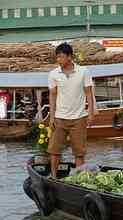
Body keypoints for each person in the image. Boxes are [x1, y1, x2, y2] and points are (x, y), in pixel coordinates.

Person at [47, 43, 95, 178]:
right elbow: (53, 95)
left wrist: (90, 114)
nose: (58, 60)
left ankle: (79, 179)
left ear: (69, 57)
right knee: (54, 150)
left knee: (79, 152)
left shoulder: (83, 72)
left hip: (79, 118)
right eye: (57, 57)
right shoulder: (53, 74)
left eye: (61, 57)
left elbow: (89, 94)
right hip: (59, 118)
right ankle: (54, 175)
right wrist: (51, 117)